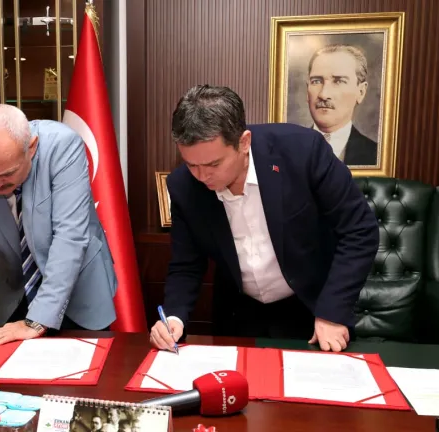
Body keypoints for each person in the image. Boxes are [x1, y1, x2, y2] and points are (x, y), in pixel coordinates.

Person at [149, 85, 379, 353]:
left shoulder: (303, 151)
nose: (202, 176)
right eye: (191, 164)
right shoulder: (183, 186)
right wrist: (174, 317)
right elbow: (186, 264)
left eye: (213, 164)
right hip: (238, 314)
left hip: (312, 307)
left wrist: (333, 312)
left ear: (244, 142)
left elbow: (359, 230)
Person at [0, 103, 117, 345]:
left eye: (7, 174)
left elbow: (70, 238)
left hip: (81, 291)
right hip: (18, 294)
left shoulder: (62, 146)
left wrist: (37, 321)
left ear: (31, 148)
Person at [306, 44, 377, 166]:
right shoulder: (283, 151)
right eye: (316, 81)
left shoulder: (377, 156)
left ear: (361, 92)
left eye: (339, 81)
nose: (323, 94)